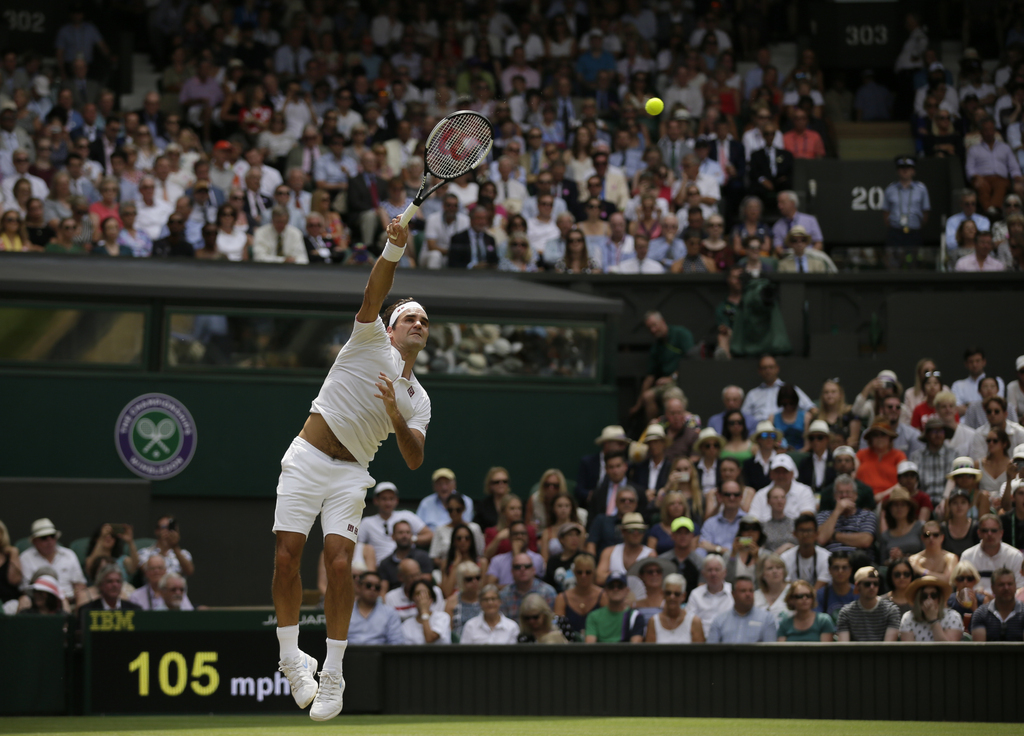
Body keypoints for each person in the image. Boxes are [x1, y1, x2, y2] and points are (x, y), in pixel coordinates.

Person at [271, 217, 429, 721]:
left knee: (340, 564)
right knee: (286, 557)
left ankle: (333, 673)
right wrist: (393, 249)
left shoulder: (418, 399)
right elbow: (374, 288)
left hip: (351, 474)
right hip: (307, 458)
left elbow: (413, 458)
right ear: (390, 326)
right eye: (411, 318)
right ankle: (291, 659)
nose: (419, 325)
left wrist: (394, 417)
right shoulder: (367, 341)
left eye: (425, 322)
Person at [629, 311, 695, 421]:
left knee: (672, 395)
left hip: (681, 380)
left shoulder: (680, 334)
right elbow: (649, 377)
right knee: (648, 396)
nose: (653, 330)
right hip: (663, 385)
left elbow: (692, 360)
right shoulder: (656, 347)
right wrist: (638, 405)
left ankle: (678, 427)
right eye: (649, 328)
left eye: (654, 325)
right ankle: (655, 429)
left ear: (662, 321)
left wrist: (672, 377)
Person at [356, 482, 430, 564]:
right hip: (380, 568)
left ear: (396, 500)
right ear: (376, 501)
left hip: (408, 565)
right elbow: (358, 546)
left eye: (391, 499)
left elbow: (429, 535)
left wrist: (410, 538)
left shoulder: (407, 515)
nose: (388, 503)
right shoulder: (367, 522)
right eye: (384, 499)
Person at [19, 518, 86, 607]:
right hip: (37, 603)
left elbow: (80, 585)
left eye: (52, 536)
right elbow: (25, 589)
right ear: (35, 541)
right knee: (24, 601)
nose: (49, 541)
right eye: (44, 538)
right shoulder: (25, 558)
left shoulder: (69, 555)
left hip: (68, 600)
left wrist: (71, 596)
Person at [960, 514, 1024, 594]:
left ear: (1001, 533)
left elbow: (1020, 589)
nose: (989, 534)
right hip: (976, 601)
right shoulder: (967, 556)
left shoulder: (1015, 556)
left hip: (1007, 602)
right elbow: (962, 587)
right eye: (985, 530)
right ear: (979, 533)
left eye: (994, 530)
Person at [741, 355, 813, 424]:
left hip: (782, 428)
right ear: (759, 371)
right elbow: (743, 416)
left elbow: (811, 408)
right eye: (764, 368)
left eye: (771, 367)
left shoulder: (789, 390)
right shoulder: (752, 394)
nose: (768, 371)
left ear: (777, 368)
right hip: (758, 429)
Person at [835, 566, 900, 642]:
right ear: (857, 586)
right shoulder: (846, 613)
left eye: (875, 583)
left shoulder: (891, 610)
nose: (872, 587)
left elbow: (888, 647)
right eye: (867, 584)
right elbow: (844, 647)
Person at [706, 576, 777, 643]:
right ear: (733, 594)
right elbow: (711, 651)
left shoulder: (767, 619)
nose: (748, 594)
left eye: (751, 591)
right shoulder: (720, 620)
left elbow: (770, 651)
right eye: (743, 591)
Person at [748, 454, 816, 522]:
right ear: (771, 474)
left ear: (792, 474)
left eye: (785, 472)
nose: (781, 476)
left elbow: (807, 517)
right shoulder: (760, 495)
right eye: (777, 471)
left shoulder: (804, 491)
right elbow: (752, 519)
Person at [882, 156, 930, 252]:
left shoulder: (921, 189)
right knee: (894, 261)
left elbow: (925, 211)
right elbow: (885, 212)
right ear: (897, 171)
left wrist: (917, 225)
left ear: (913, 171)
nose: (905, 171)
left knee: (914, 262)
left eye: (908, 168)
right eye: (902, 168)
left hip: (914, 232)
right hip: (895, 232)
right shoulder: (890, 189)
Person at [584, 571, 645, 643]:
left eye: (620, 586)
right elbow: (590, 646)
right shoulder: (593, 616)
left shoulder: (635, 617)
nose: (615, 589)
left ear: (627, 590)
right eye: (611, 586)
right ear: (605, 590)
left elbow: (635, 648)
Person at [899, 575, 963, 641]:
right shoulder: (908, 617)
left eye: (933, 595)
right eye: (924, 596)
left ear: (939, 598)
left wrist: (933, 620)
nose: (929, 600)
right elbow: (909, 650)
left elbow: (948, 649)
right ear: (918, 599)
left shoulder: (953, 616)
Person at [645, 573, 704, 643]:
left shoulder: (694, 621)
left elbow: (699, 652)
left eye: (677, 594)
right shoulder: (653, 621)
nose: (672, 597)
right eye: (668, 593)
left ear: (683, 596)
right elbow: (650, 652)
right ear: (663, 594)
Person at [347, 571, 404, 645]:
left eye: (377, 587)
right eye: (368, 585)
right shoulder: (345, 612)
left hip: (380, 654)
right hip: (348, 654)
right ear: (358, 586)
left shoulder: (390, 613)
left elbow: (396, 643)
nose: (372, 589)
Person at [780, 513, 832, 591]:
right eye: (801, 530)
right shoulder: (785, 558)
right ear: (795, 534)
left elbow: (820, 587)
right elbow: (786, 586)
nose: (805, 534)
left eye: (809, 530)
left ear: (816, 534)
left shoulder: (827, 557)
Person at [970, 567, 1024, 641]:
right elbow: (979, 649)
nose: (1006, 588)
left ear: (1015, 586)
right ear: (992, 588)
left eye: (1010, 584)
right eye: (1001, 585)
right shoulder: (981, 614)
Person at [499, 552, 556, 620]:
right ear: (512, 571)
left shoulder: (548, 592)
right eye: (517, 567)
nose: (522, 569)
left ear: (533, 570)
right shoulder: (504, 595)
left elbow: (552, 621)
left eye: (527, 566)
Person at [856, 420, 907, 496]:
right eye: (875, 435)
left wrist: (882, 496)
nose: (879, 438)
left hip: (891, 499)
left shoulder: (899, 456)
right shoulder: (860, 454)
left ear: (890, 438)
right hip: (863, 498)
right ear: (870, 438)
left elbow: (904, 481)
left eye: (883, 434)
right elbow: (852, 476)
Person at [78, 563, 142, 621]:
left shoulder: (134, 610)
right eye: (110, 581)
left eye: (118, 581)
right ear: (100, 585)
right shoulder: (87, 611)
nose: (115, 585)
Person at [129, 554, 194, 611]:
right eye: (152, 568)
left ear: (165, 571)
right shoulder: (136, 596)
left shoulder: (177, 592)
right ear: (146, 573)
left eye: (160, 568)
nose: (156, 571)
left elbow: (189, 614)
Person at [878, 487, 924, 565]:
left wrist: (903, 557)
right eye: (895, 505)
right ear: (890, 509)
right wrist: (892, 559)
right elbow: (882, 562)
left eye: (903, 505)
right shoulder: (885, 535)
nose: (899, 508)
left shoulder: (920, 527)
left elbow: (927, 555)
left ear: (909, 508)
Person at [400, 579, 451, 645]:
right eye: (418, 594)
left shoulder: (442, 617)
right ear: (412, 598)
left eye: (426, 594)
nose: (422, 598)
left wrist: (424, 612)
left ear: (431, 598)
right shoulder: (406, 625)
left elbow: (430, 638)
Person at [686, 554, 733, 623]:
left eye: (717, 570)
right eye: (709, 570)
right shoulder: (695, 594)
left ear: (724, 572)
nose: (713, 573)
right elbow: (689, 620)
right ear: (703, 573)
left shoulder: (733, 591)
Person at [909, 521, 959, 585]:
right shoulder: (914, 559)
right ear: (922, 538)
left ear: (942, 537)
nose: (931, 538)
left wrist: (921, 570)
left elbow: (948, 580)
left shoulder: (950, 558)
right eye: (927, 535)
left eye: (935, 535)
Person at [444, 561, 483, 643]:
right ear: (460, 580)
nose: (474, 581)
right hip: (459, 647)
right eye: (469, 579)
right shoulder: (452, 602)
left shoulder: (485, 599)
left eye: (477, 578)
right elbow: (448, 632)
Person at [754, 554, 791, 624]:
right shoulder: (755, 596)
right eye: (770, 568)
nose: (775, 571)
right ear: (762, 574)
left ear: (784, 571)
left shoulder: (793, 592)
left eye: (779, 567)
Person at [477, 467, 514, 532]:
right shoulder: (483, 505)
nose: (501, 484)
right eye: (497, 482)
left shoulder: (515, 502)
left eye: (505, 481)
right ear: (490, 484)